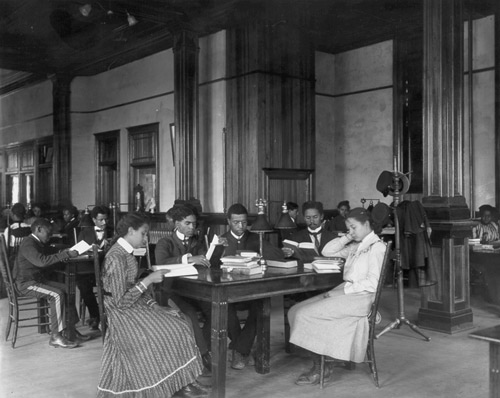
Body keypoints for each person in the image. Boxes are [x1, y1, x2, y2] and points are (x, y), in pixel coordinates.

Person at [97, 212, 208, 398]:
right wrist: (148, 280)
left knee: (179, 320)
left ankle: (184, 381)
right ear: (130, 231)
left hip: (134, 305)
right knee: (173, 328)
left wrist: (153, 305)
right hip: (121, 313)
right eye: (143, 233)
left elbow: (131, 288)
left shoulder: (125, 253)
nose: (145, 238)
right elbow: (119, 302)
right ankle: (181, 383)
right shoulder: (116, 257)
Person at [288, 207, 386, 385]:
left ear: (367, 224)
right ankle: (323, 358)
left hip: (361, 299)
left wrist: (343, 291)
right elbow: (327, 251)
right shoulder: (358, 245)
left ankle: (321, 367)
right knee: (294, 310)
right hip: (348, 292)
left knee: (305, 314)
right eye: (349, 228)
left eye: (354, 227)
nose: (351, 232)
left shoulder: (376, 247)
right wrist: (349, 236)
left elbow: (373, 284)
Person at [221, 203, 284, 370]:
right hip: (229, 291)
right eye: (236, 222)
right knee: (225, 309)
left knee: (262, 306)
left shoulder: (256, 237)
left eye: (244, 222)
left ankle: (239, 350)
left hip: (253, 290)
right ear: (229, 221)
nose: (241, 226)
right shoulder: (221, 240)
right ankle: (241, 349)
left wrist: (266, 249)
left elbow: (278, 255)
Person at [13, 218, 90, 348]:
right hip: (26, 283)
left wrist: (64, 251)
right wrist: (65, 255)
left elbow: (49, 251)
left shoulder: (36, 243)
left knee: (67, 290)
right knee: (57, 295)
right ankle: (56, 336)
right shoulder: (28, 243)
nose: (50, 236)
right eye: (48, 233)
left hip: (36, 280)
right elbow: (41, 261)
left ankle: (70, 330)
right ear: (39, 230)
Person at [155, 205, 213, 374]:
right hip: (171, 292)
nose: (192, 228)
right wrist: (187, 258)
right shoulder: (165, 242)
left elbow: (205, 264)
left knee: (216, 310)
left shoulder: (198, 241)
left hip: (196, 291)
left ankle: (200, 346)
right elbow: (161, 263)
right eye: (188, 224)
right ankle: (204, 356)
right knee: (190, 314)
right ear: (177, 223)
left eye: (194, 224)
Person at [77, 205, 110, 330]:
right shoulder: (84, 233)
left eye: (106, 219)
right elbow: (79, 250)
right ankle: (96, 316)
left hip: (107, 269)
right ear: (94, 220)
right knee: (83, 286)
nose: (104, 223)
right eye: (101, 220)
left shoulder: (113, 231)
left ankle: (111, 317)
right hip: (89, 269)